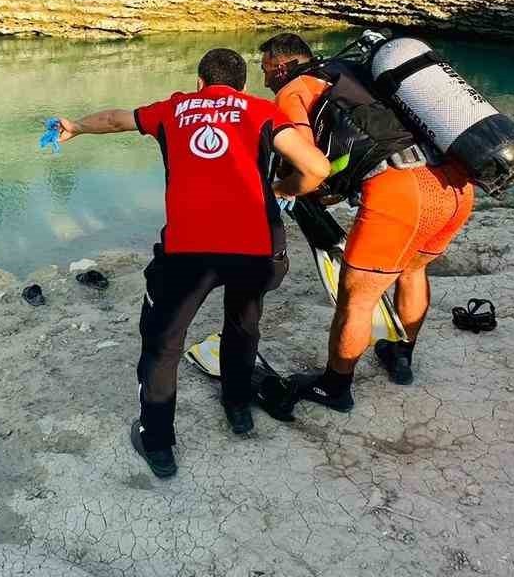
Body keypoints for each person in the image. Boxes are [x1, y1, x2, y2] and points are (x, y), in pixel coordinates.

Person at [55, 48, 330, 478]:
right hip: (251, 247)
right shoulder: (260, 110)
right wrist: (284, 187)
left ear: (201, 82)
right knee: (243, 326)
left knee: (163, 344)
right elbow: (317, 166)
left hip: (188, 250)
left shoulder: (175, 107)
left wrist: (76, 127)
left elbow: (114, 120)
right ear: (240, 85)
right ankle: (238, 410)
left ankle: (158, 445)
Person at [259, 32, 475, 411]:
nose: (264, 80)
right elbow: (363, 145)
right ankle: (401, 356)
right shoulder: (356, 73)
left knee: (356, 300)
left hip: (400, 194)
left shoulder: (292, 89)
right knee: (411, 271)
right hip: (456, 184)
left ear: (281, 65)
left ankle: (335, 386)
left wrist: (281, 188)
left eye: (265, 70)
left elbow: (314, 166)